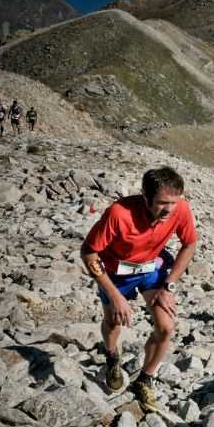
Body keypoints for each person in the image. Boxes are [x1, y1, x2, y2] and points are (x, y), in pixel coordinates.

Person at [80, 167, 198, 411]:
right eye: (161, 203)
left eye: (173, 203)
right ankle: (112, 357)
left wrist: (169, 286)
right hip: (116, 273)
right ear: (145, 195)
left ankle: (145, 379)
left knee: (166, 327)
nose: (168, 210)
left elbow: (190, 243)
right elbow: (88, 251)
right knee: (113, 321)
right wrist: (114, 295)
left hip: (151, 268)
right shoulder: (118, 213)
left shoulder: (181, 209)